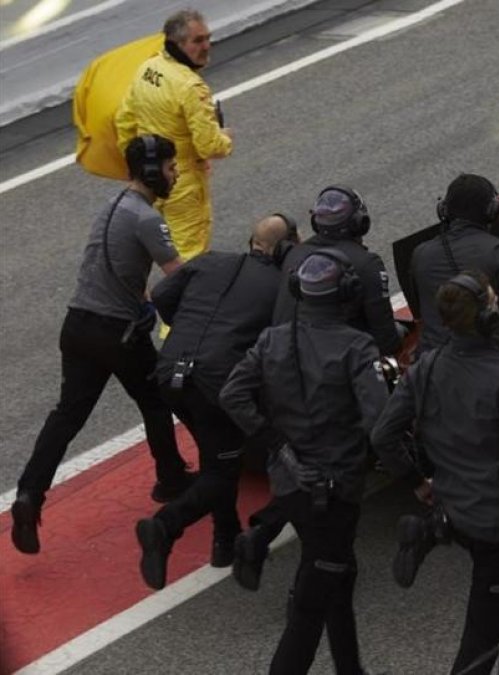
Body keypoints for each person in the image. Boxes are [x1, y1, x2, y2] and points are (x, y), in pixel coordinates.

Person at [372, 270, 499, 675]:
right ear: (485, 316)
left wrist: (417, 482)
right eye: (493, 301)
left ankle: (430, 528)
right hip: (497, 529)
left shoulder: (425, 367)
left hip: (455, 509)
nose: (498, 305)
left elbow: (383, 435)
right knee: (482, 643)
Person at [10, 136, 193, 556]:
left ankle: (29, 495)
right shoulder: (148, 219)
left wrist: (143, 300)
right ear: (152, 172)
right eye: (170, 167)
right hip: (117, 333)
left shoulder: (112, 206)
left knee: (66, 416)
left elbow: (117, 272)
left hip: (77, 325)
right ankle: (170, 479)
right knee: (156, 400)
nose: (175, 174)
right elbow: (180, 277)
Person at [221, 250, 388, 675]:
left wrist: (277, 445)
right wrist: (416, 472)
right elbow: (380, 422)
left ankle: (351, 670)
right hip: (335, 491)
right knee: (310, 608)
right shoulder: (357, 347)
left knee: (340, 577)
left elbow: (232, 395)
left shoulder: (272, 340)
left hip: (290, 485)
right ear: (347, 293)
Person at [133, 215, 297, 589]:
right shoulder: (281, 287)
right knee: (222, 471)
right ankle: (164, 526)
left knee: (216, 456)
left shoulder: (209, 261)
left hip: (170, 371)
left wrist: (189, 329)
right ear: (286, 247)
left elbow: (161, 295)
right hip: (215, 384)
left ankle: (225, 539)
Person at [115, 8, 233, 262]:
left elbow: (124, 121)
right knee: (191, 259)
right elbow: (209, 146)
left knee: (156, 252)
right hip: (183, 184)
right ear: (176, 44)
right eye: (197, 41)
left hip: (150, 178)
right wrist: (225, 138)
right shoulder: (191, 86)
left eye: (207, 38)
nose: (206, 46)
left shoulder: (146, 68)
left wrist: (136, 168)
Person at [408, 174, 499, 361]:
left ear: (443, 210)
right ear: (493, 211)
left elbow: (419, 313)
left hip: (431, 363)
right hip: (487, 362)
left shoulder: (420, 254)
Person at [272, 185, 404, 355]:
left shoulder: (294, 254)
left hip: (284, 359)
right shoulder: (366, 264)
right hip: (336, 363)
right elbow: (387, 341)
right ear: (360, 223)